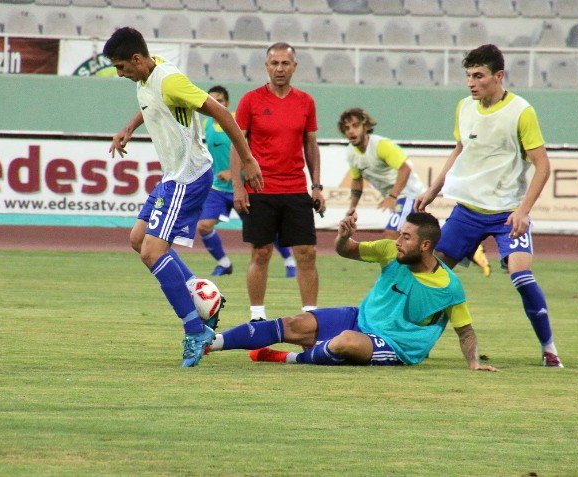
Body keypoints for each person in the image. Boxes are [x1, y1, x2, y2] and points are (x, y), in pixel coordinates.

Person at [103, 27, 263, 368]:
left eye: (121, 67)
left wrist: (247, 159)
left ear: (136, 59)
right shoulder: (146, 75)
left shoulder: (170, 80)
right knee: (137, 239)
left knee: (152, 252)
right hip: (172, 176)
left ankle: (195, 329)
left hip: (187, 176)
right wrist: (130, 127)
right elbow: (152, 104)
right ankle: (205, 295)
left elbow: (220, 112)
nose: (120, 74)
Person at [414, 44, 563, 367]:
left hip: (507, 214)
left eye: (478, 76)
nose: (472, 82)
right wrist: (433, 190)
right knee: (432, 274)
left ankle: (549, 348)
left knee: (521, 274)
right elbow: (459, 151)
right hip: (467, 212)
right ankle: (417, 344)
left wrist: (522, 210)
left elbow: (543, 165)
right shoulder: (464, 107)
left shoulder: (521, 111)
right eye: (468, 75)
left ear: (498, 76)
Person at [206, 211, 497, 372]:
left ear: (425, 246)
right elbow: (347, 251)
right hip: (359, 319)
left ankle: (287, 359)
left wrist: (473, 363)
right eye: (399, 234)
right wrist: (344, 237)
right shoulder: (388, 250)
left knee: (344, 342)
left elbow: (466, 332)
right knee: (294, 323)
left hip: (394, 345)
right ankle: (210, 343)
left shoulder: (449, 288)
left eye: (405, 237)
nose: (397, 241)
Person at [230, 42, 325, 322]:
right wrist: (238, 186)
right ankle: (257, 317)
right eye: (274, 63)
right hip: (260, 190)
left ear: (295, 66)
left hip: (295, 189)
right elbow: (238, 145)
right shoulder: (250, 100)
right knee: (261, 253)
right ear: (266, 66)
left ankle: (310, 316)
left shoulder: (306, 101)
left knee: (306, 253)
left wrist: (316, 186)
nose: (280, 69)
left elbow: (311, 145)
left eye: (285, 63)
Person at [338, 107, 491, 277]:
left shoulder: (381, 145)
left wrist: (392, 196)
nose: (351, 131)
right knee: (422, 239)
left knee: (392, 236)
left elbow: (405, 169)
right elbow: (357, 180)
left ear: (365, 125)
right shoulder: (350, 153)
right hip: (400, 198)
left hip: (409, 195)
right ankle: (472, 249)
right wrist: (352, 207)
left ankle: (395, 280)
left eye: (355, 125)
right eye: (347, 128)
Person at [197, 85, 297, 278]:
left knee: (265, 229)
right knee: (203, 226)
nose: (215, 104)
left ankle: (290, 261)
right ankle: (224, 264)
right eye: (211, 100)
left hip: (244, 186)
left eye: (220, 100)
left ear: (227, 103)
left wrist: (234, 171)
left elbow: (254, 152)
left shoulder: (238, 121)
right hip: (218, 188)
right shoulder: (205, 124)